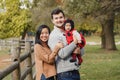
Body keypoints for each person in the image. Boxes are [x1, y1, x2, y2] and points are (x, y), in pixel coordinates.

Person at [48, 8, 84, 80]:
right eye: (56, 18)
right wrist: (74, 43)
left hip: (75, 70)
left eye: (61, 17)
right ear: (52, 21)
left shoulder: (70, 31)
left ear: (64, 18)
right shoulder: (54, 35)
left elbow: (82, 51)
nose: (59, 20)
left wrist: (80, 51)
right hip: (64, 74)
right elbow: (62, 54)